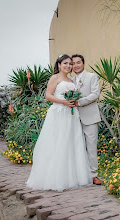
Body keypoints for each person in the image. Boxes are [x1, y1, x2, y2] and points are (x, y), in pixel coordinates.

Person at [26, 54, 92, 192]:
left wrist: (73, 101)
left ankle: (73, 177)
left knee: (71, 142)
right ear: (59, 65)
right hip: (58, 113)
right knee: (58, 142)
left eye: (70, 64)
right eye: (65, 63)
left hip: (71, 115)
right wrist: (64, 102)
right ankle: (56, 178)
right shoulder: (54, 78)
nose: (68, 66)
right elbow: (48, 95)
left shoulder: (71, 80)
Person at [72, 54, 103, 185]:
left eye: (78, 62)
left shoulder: (92, 77)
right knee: (77, 147)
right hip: (74, 118)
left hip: (90, 117)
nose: (76, 65)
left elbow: (95, 94)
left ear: (83, 63)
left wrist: (79, 102)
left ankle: (94, 175)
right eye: (73, 63)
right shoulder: (70, 81)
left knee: (91, 146)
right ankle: (80, 175)